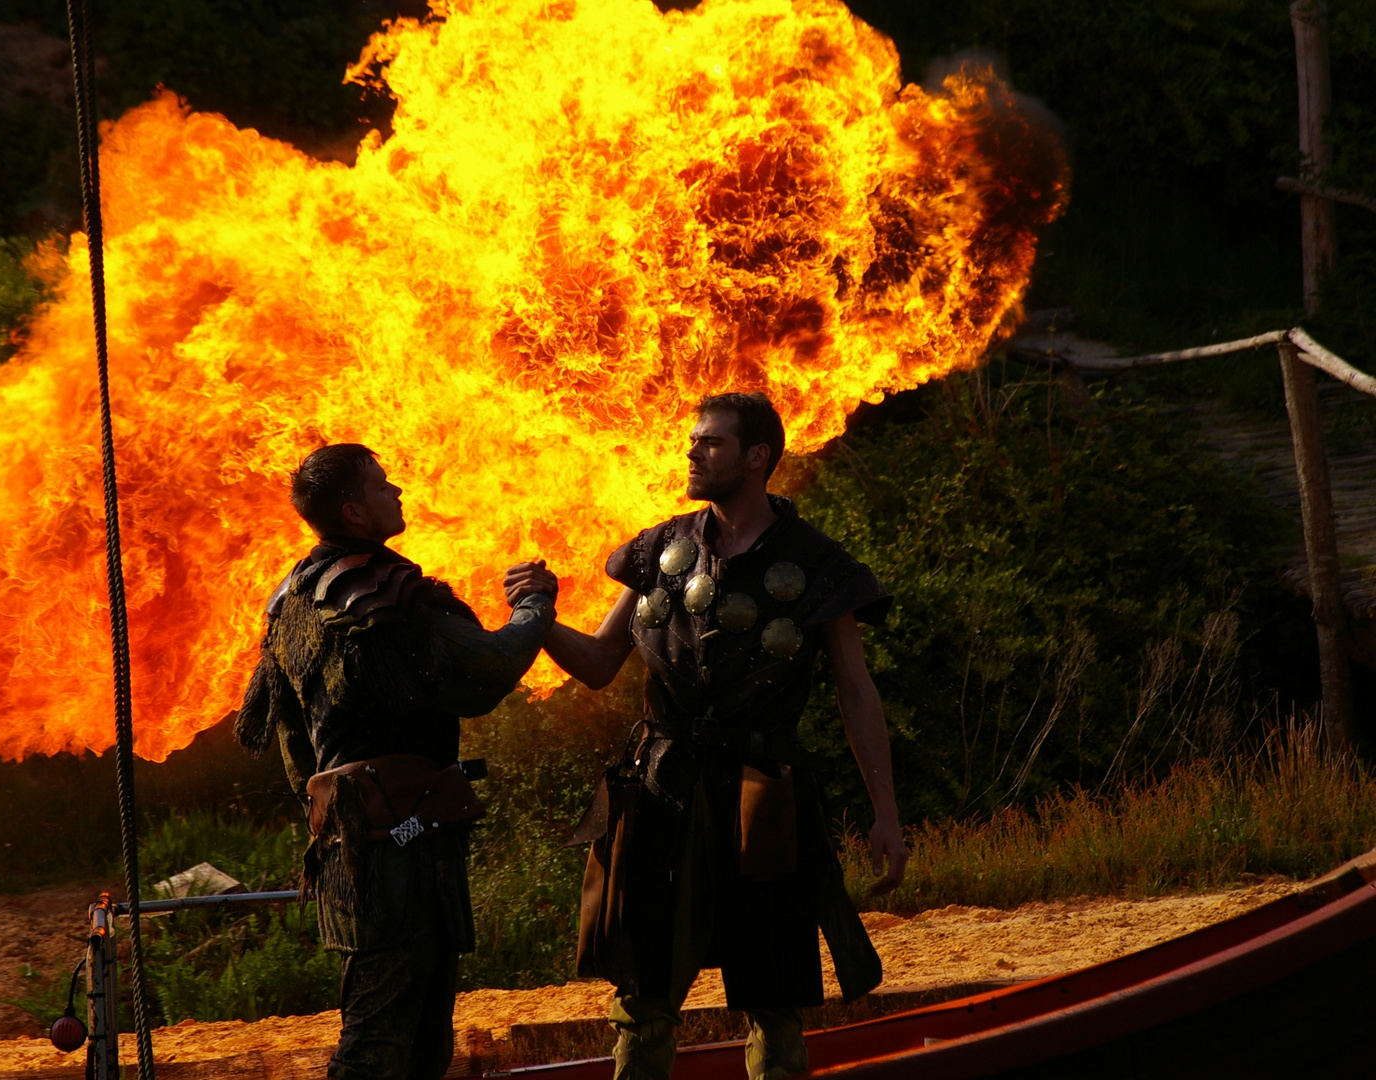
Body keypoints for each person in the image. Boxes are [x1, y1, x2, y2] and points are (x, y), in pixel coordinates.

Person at [504, 392, 907, 1080]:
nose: (693, 452)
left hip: (762, 798)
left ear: (757, 459)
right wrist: (538, 616)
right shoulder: (663, 547)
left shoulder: (816, 564)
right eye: (693, 440)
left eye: (711, 443)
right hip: (663, 792)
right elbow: (601, 664)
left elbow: (856, 693)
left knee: (774, 997)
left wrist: (886, 814)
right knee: (645, 992)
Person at [235, 443, 557, 1080]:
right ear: (354, 510)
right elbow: (489, 671)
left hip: (362, 841)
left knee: (415, 1040)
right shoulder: (378, 592)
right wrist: (536, 605)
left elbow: (292, 745)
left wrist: (334, 812)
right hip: (399, 848)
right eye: (384, 485)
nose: (398, 492)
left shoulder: (291, 602)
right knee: (382, 1042)